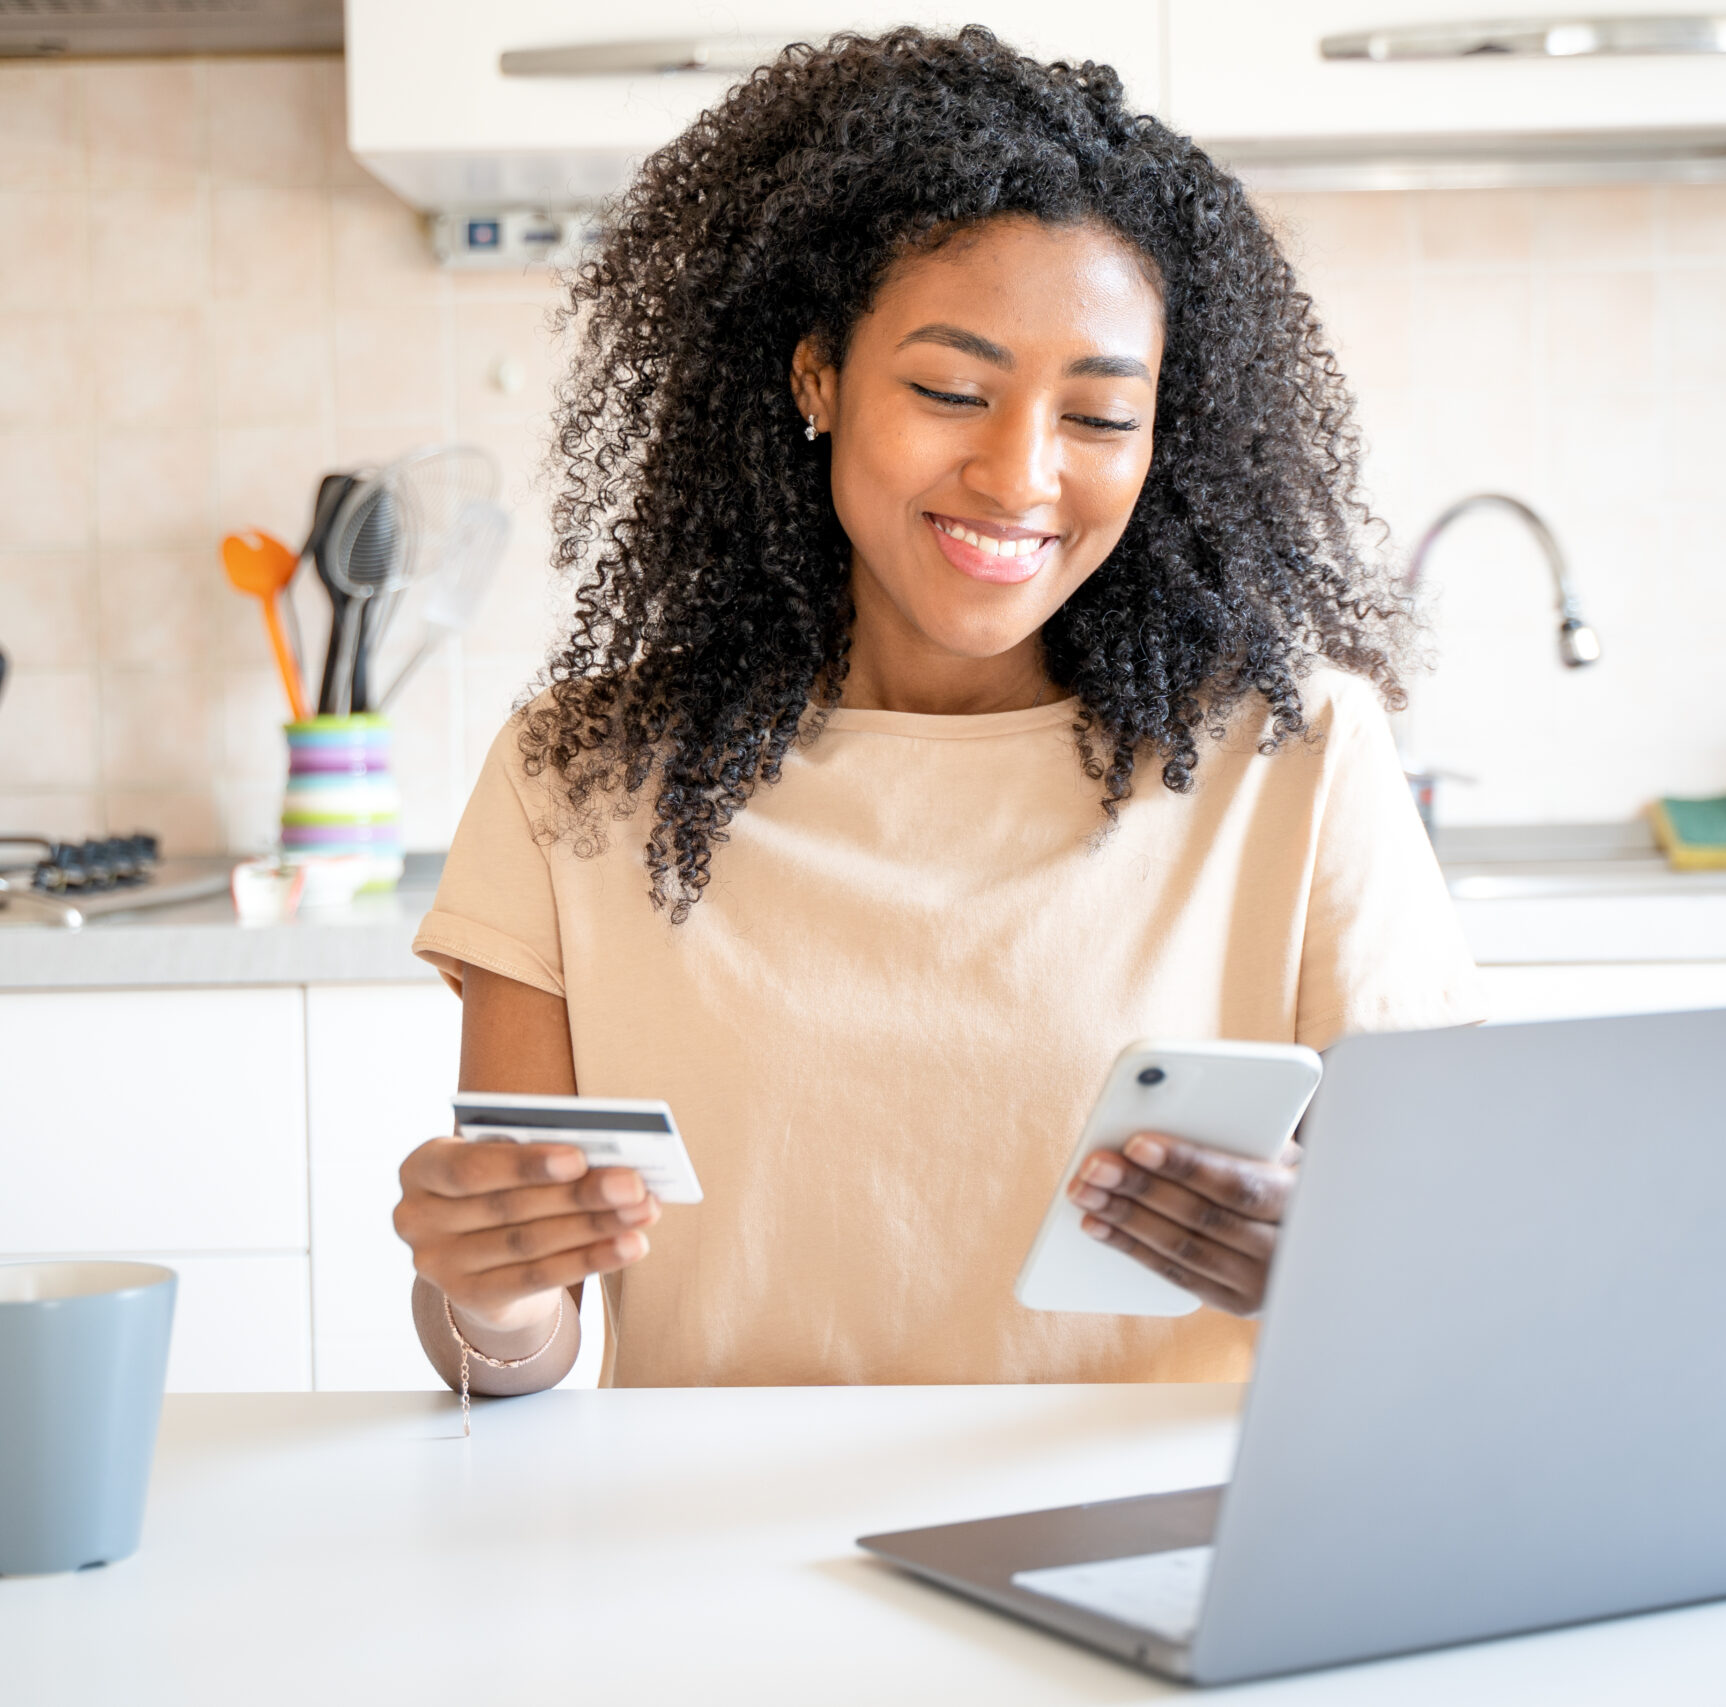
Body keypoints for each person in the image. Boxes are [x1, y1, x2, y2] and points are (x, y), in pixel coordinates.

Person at [393, 26, 1482, 1395]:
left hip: (1145, 1517)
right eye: (951, 391)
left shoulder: (1295, 754)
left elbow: (1450, 1269)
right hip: (720, 1523)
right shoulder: (581, 778)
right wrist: (488, 1292)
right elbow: (514, 1349)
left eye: (1100, 418)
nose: (1020, 476)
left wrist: (1331, 1262)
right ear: (817, 376)